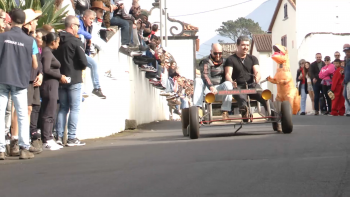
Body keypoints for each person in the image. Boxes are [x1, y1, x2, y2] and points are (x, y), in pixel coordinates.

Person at [0, 9, 42, 160]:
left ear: (10, 19)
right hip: (20, 80)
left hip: (3, 78)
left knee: (0, 113)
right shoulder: (30, 41)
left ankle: (1, 150)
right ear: (24, 22)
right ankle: (24, 148)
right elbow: (35, 64)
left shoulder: (2, 37)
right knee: (22, 115)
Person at [224, 36, 277, 126]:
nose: (246, 47)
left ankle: (275, 118)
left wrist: (257, 77)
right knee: (240, 96)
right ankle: (244, 111)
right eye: (243, 45)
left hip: (252, 85)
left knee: (265, 97)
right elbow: (228, 74)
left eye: (247, 45)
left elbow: (257, 71)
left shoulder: (253, 59)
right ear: (237, 46)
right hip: (238, 86)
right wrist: (231, 82)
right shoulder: (231, 59)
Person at [53, 15, 88, 146]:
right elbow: (83, 62)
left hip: (61, 78)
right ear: (72, 26)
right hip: (74, 78)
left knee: (62, 108)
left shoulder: (57, 40)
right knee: (74, 109)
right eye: (78, 26)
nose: (78, 28)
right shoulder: (75, 41)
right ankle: (72, 137)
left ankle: (58, 136)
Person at [40, 32, 66, 150]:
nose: (58, 45)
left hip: (52, 85)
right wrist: (59, 76)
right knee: (49, 113)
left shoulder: (48, 52)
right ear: (53, 42)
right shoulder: (47, 52)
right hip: (49, 86)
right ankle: (47, 139)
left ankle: (49, 137)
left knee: (51, 112)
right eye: (58, 42)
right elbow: (46, 69)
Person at [194, 43, 233, 120]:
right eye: (215, 53)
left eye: (220, 53)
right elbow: (205, 75)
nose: (218, 55)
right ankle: (197, 109)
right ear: (211, 51)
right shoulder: (206, 61)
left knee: (228, 84)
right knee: (197, 80)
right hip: (208, 89)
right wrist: (211, 86)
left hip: (220, 88)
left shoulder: (226, 61)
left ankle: (225, 111)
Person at [78, 9, 107, 98]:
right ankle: (96, 88)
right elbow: (78, 31)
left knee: (91, 66)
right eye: (90, 18)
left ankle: (95, 89)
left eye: (93, 19)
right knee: (93, 65)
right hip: (77, 53)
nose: (92, 21)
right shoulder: (78, 21)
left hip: (84, 52)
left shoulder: (89, 26)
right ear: (84, 17)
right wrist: (89, 37)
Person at [343, 44, 350, 117]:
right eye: (346, 52)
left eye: (348, 51)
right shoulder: (346, 59)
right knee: (345, 95)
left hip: (349, 80)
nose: (347, 53)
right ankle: (348, 110)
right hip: (346, 80)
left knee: (349, 96)